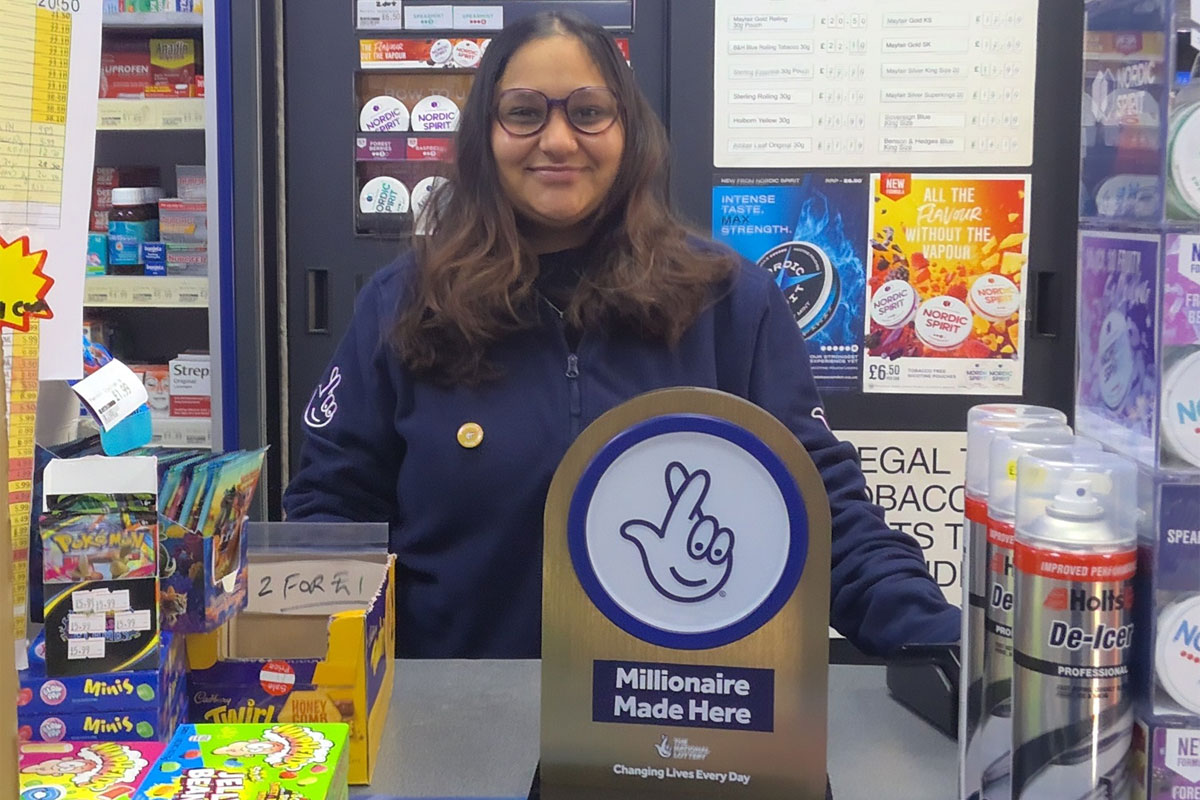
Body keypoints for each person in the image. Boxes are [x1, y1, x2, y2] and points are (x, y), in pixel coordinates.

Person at [283, 11, 960, 662]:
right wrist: (316, 676)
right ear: (484, 137)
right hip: (457, 719)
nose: (556, 140)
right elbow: (331, 511)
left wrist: (939, 641)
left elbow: (821, 512)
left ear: (628, 130)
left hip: (678, 721)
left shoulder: (729, 303)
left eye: (587, 111)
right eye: (523, 112)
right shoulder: (403, 304)